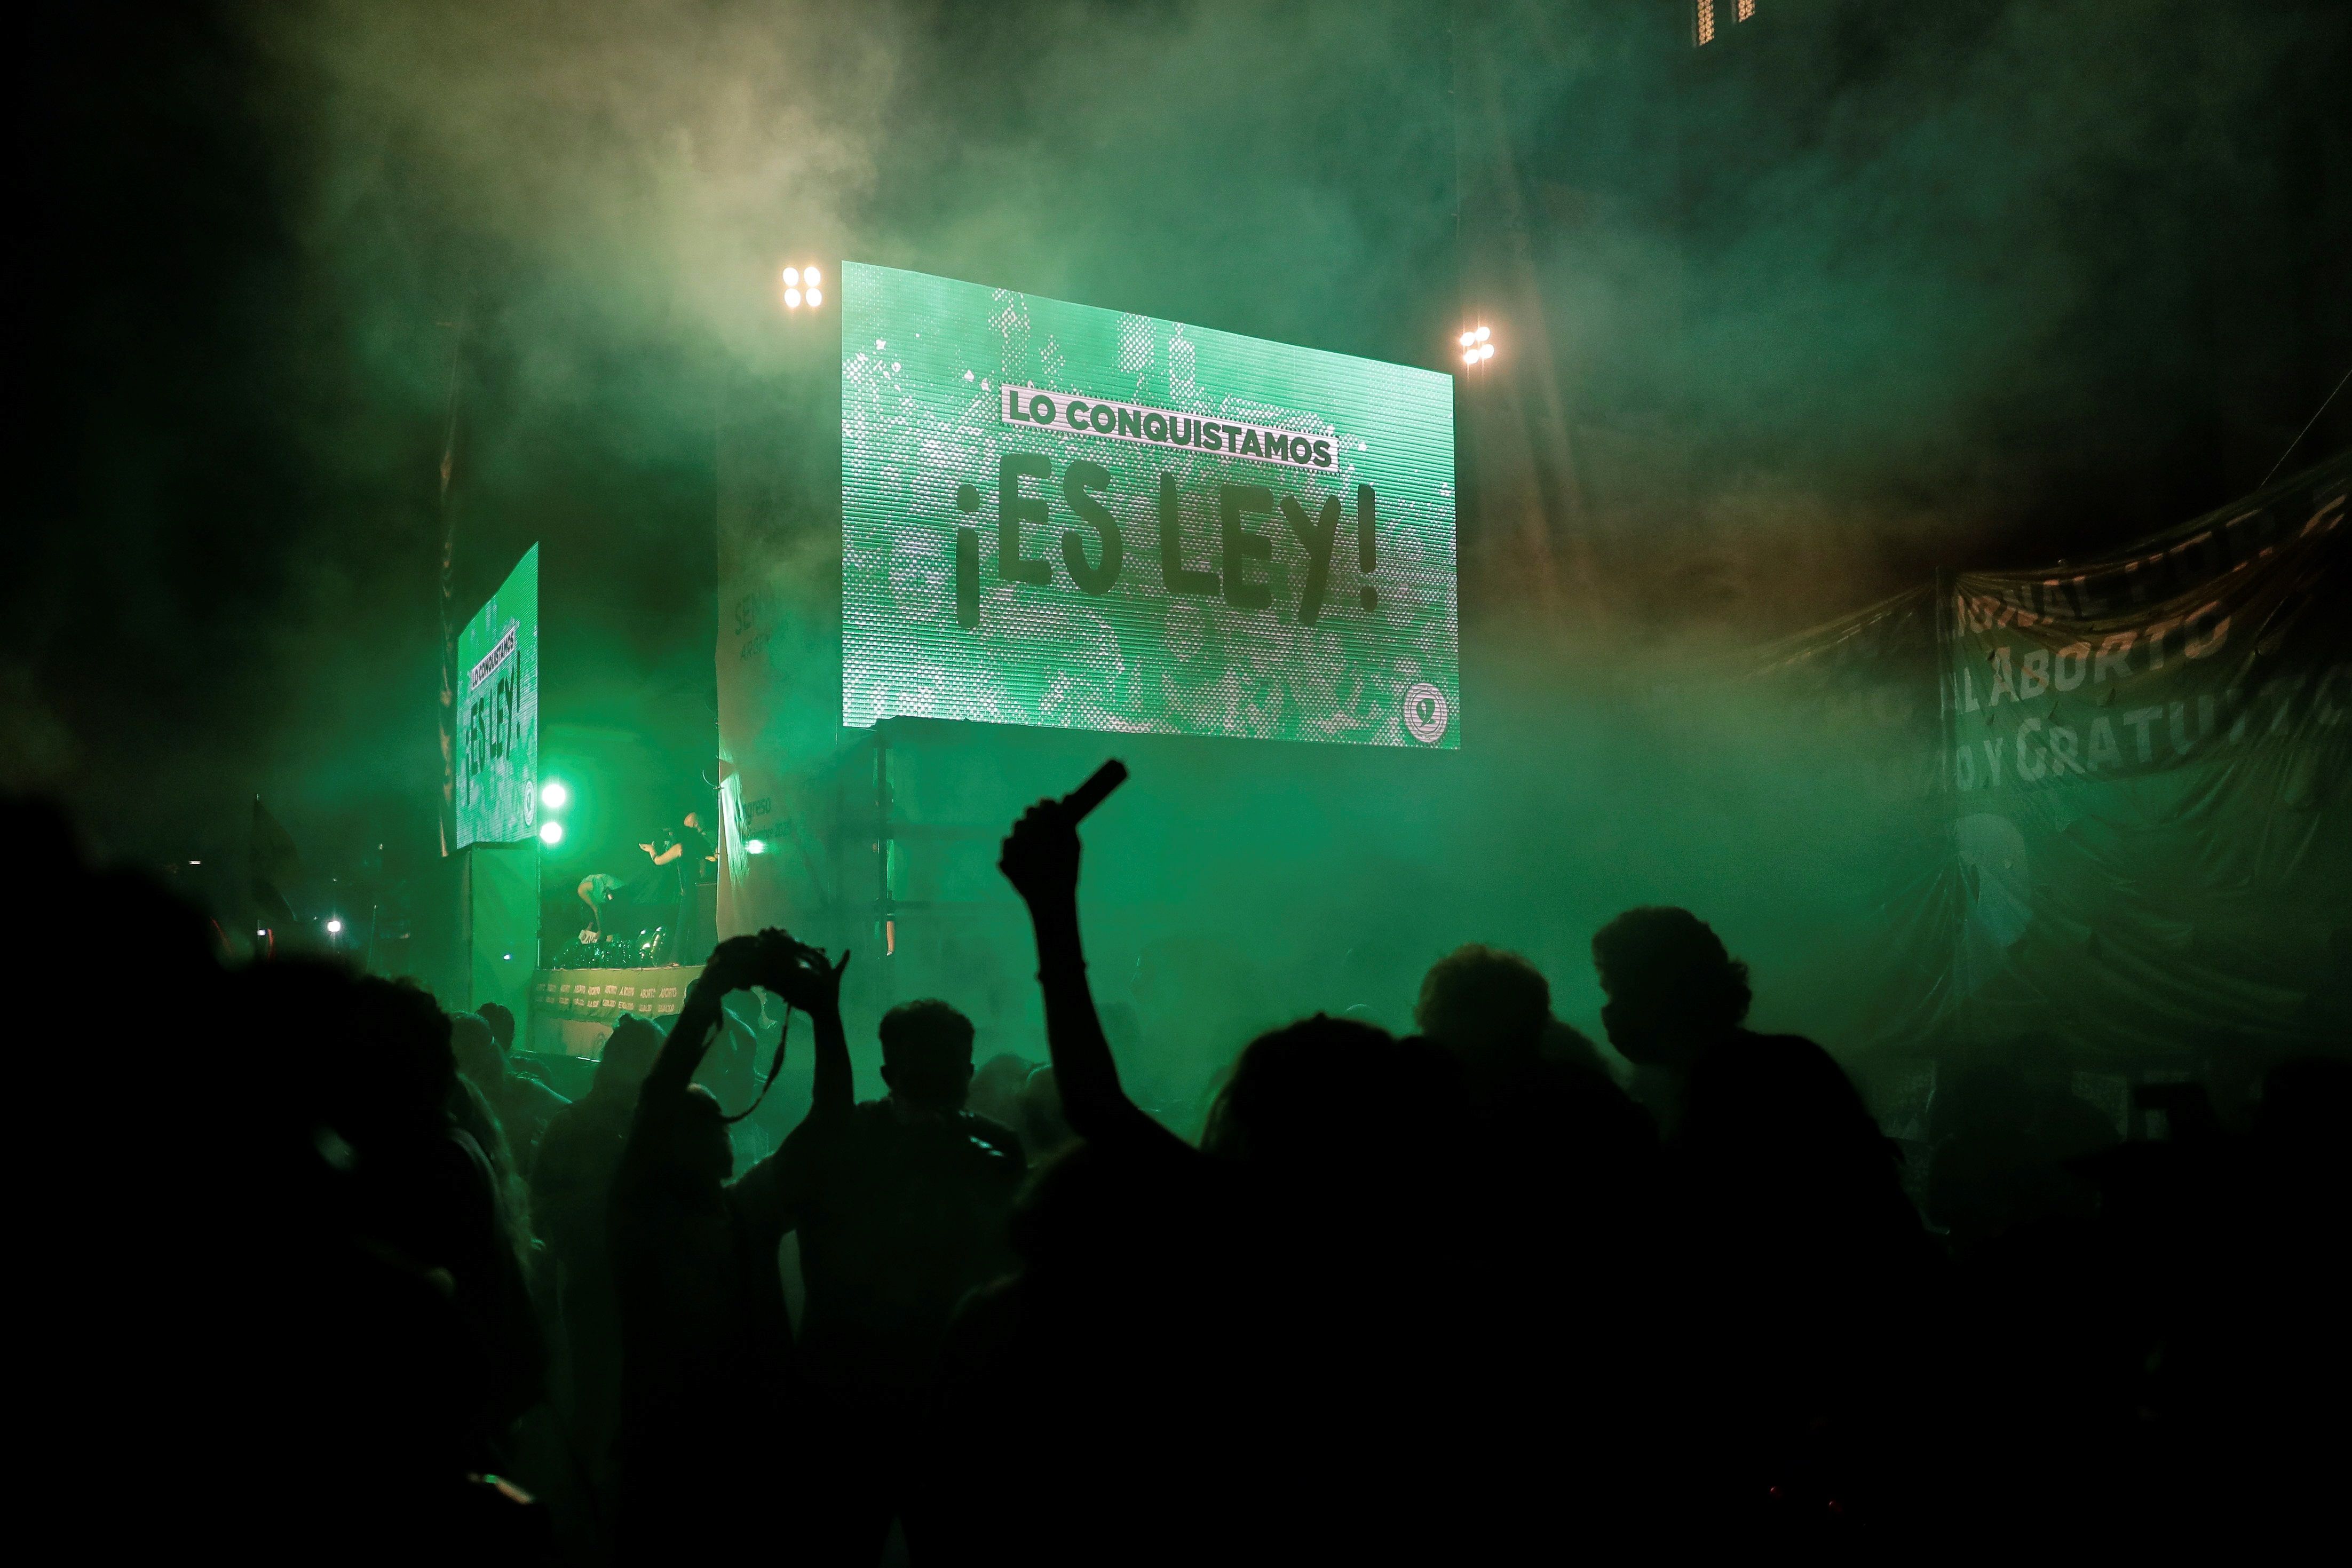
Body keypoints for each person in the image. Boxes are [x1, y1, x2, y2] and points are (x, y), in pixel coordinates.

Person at [1591, 905, 1938, 1535]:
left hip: (1796, 1392)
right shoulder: (1779, 1065)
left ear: (1658, 993)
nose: (1610, 1010)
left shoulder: (1727, 1086)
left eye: (1616, 988)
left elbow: (1716, 1252)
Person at [732, 988, 1026, 1561]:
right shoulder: (991, 1148)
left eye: (946, 1061)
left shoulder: (986, 1147)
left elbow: (749, 1217)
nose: (943, 1073)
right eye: (933, 1060)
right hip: (888, 1399)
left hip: (900, 1398)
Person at [608, 934, 825, 1560]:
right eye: (702, 1119)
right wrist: (707, 993)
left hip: (725, 1440)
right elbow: (659, 1097)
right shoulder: (642, 1213)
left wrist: (824, 1014)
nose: (720, 1123)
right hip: (673, 1443)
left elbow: (820, 1133)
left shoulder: (735, 1212)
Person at [529, 1015, 662, 1494]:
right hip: (627, 1282)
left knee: (597, 1401)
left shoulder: (572, 1121)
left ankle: (588, 1508)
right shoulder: (655, 1126)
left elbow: (540, 1205)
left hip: (598, 1280)